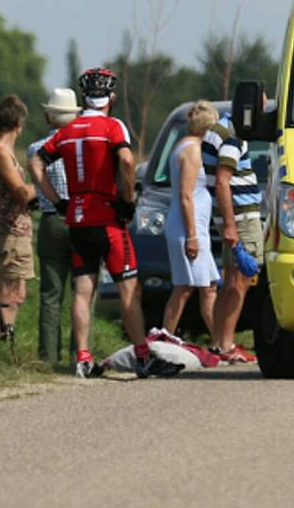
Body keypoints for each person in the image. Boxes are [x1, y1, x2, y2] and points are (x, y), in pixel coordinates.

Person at [30, 67, 182, 379]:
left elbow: (35, 162)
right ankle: (142, 357)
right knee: (130, 289)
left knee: (82, 290)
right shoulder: (113, 126)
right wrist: (128, 199)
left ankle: (83, 359)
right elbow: (126, 160)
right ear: (111, 98)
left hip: (78, 219)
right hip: (109, 218)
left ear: (84, 97)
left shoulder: (68, 131)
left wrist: (58, 201)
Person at [26, 87, 82, 364]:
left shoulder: (35, 148)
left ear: (49, 116)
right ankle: (79, 352)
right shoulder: (81, 147)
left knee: (51, 293)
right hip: (82, 218)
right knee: (82, 291)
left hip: (51, 219)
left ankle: (47, 355)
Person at [204, 109, 262, 364]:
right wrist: (230, 225)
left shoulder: (216, 131)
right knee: (241, 282)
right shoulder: (232, 138)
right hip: (240, 218)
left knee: (229, 283)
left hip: (229, 217)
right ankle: (227, 345)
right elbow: (222, 181)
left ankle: (217, 343)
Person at [161, 101, 220, 334]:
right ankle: (165, 335)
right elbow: (186, 195)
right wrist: (192, 236)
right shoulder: (193, 151)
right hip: (189, 227)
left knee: (209, 286)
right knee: (185, 287)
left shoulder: (183, 145)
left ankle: (219, 340)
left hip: (195, 226)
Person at [0, 94, 37, 340]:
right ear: (19, 124)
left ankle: (6, 337)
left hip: (17, 230)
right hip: (10, 231)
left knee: (18, 292)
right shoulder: (1, 154)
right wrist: (42, 183)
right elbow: (20, 192)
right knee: (8, 292)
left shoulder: (4, 152)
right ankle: (0, 341)